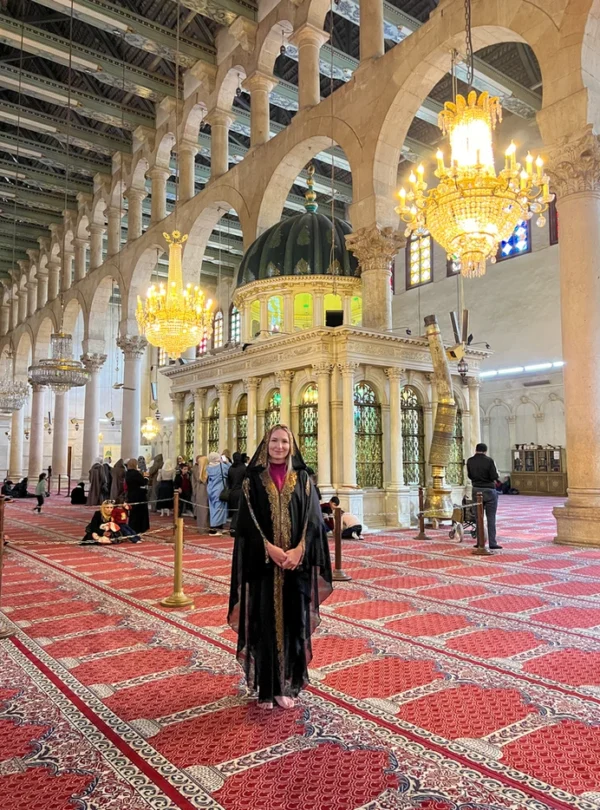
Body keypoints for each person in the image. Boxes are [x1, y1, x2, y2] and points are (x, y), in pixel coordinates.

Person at [228, 425, 332, 709]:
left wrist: (299, 550)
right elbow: (247, 522)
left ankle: (287, 684)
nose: (279, 446)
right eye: (274, 440)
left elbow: (312, 521)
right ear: (266, 444)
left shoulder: (303, 479)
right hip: (263, 566)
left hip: (294, 566)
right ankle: (266, 688)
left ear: (291, 445)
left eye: (284, 441)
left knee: (293, 623)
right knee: (264, 623)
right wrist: (268, 548)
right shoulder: (253, 480)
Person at [467, 442, 502, 550]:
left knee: (478, 518)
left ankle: (480, 542)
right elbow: (494, 476)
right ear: (485, 451)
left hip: (476, 490)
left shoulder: (470, 461)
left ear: (476, 450)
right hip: (489, 490)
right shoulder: (489, 460)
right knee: (491, 517)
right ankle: (492, 542)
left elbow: (469, 475)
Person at [206, 451, 231, 535]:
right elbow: (230, 470)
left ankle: (219, 527)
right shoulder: (222, 466)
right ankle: (214, 528)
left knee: (213, 509)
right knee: (219, 509)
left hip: (210, 489)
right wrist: (226, 462)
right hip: (219, 489)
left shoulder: (208, 467)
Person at [125, 458, 149, 536]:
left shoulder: (127, 473)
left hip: (131, 494)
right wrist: (146, 478)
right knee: (140, 512)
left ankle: (132, 527)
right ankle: (139, 528)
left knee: (133, 512)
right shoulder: (136, 473)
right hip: (139, 495)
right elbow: (142, 482)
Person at [227, 451, 247, 536]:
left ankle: (234, 528)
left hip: (232, 492)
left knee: (236, 511)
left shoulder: (231, 468)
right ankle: (234, 528)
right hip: (241, 492)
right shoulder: (243, 468)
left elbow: (229, 482)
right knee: (239, 511)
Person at [192, 455, 209, 533]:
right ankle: (205, 528)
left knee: (200, 510)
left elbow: (193, 482)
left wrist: (194, 492)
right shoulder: (207, 471)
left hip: (199, 490)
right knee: (204, 510)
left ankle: (201, 528)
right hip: (205, 490)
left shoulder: (196, 470)